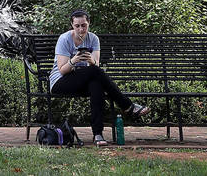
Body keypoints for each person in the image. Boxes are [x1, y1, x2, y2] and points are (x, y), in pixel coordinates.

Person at [50, 9, 150, 146]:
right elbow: (62, 70)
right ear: (72, 26)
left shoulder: (93, 39)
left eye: (84, 25)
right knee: (95, 73)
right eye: (77, 26)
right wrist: (74, 60)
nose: (81, 29)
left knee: (96, 85)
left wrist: (90, 60)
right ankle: (127, 105)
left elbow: (95, 64)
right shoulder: (64, 39)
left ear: (89, 23)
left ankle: (98, 134)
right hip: (61, 82)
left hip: (84, 81)